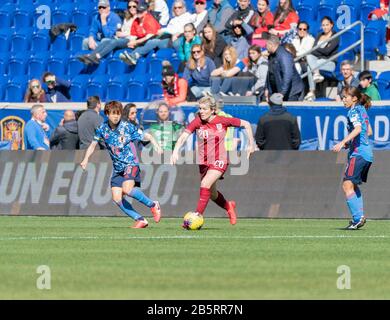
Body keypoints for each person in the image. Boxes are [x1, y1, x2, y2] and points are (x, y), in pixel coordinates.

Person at [170, 95, 256, 225]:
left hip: (220, 160)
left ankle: (195, 217)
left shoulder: (223, 121)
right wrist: (175, 151)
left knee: (205, 184)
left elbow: (247, 124)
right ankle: (229, 207)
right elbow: (183, 137)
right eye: (200, 108)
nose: (201, 111)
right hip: (204, 163)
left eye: (204, 109)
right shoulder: (197, 121)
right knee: (212, 194)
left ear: (212, 110)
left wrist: (251, 144)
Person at [80, 101, 163, 229]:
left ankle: (153, 205)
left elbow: (144, 135)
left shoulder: (126, 127)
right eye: (113, 113)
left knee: (127, 189)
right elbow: (92, 145)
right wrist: (85, 159)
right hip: (117, 168)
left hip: (130, 163)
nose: (116, 116)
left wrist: (155, 143)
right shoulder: (102, 129)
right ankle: (140, 219)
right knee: (117, 198)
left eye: (118, 113)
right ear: (107, 114)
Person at [332, 87, 373, 230]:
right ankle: (359, 217)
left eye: (345, 97)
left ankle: (357, 218)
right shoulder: (362, 110)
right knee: (353, 185)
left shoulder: (353, 111)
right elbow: (369, 131)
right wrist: (350, 142)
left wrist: (343, 142)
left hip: (359, 153)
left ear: (354, 98)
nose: (343, 100)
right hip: (367, 154)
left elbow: (358, 129)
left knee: (346, 185)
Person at [120, 0, 193, 65]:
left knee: (153, 41)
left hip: (178, 38)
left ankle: (134, 55)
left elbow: (188, 29)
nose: (177, 9)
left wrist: (176, 33)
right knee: (152, 41)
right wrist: (162, 31)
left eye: (179, 7)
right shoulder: (172, 20)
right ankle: (134, 55)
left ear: (184, 8)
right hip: (168, 39)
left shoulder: (187, 16)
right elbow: (169, 30)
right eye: (175, 8)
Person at [78, 0, 139, 65]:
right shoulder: (127, 18)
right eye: (100, 7)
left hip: (118, 40)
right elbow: (93, 30)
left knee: (106, 40)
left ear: (108, 8)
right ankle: (86, 62)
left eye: (103, 7)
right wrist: (91, 39)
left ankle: (97, 58)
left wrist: (103, 21)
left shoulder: (115, 18)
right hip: (116, 39)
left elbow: (108, 35)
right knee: (86, 41)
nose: (101, 9)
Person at [303, 16, 339, 101]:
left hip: (329, 63)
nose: (325, 27)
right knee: (309, 57)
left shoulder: (335, 36)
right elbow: (313, 50)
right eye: (323, 25)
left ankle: (312, 92)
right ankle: (316, 75)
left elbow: (327, 51)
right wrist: (318, 50)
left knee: (310, 66)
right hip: (318, 62)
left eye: (327, 25)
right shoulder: (319, 35)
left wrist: (317, 50)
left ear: (331, 25)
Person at [266, 34, 304, 101]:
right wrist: (267, 89)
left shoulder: (284, 55)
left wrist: (282, 92)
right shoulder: (272, 56)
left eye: (266, 45)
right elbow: (270, 74)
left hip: (291, 92)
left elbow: (288, 74)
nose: (266, 47)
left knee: (290, 111)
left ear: (271, 44)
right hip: (281, 92)